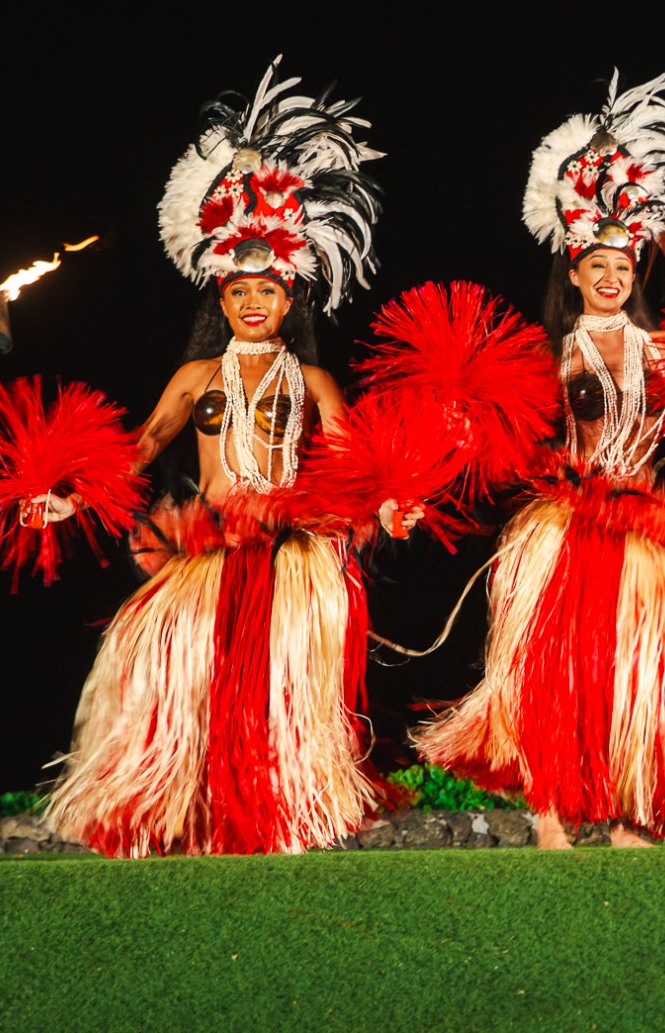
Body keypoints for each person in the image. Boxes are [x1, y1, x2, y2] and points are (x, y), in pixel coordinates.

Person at [40, 60, 412, 856]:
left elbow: (352, 461)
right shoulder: (196, 375)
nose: (252, 302)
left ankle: (278, 813)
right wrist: (73, 493)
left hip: (286, 554)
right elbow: (141, 447)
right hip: (207, 548)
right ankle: (192, 811)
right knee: (182, 681)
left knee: (275, 690)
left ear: (291, 297)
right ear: (220, 296)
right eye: (238, 291)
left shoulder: (312, 380)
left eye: (267, 291)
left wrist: (387, 503)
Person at [413, 72, 665, 847]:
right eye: (595, 267)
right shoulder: (551, 355)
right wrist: (465, 424)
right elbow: (510, 437)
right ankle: (549, 817)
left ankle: (629, 811)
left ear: (636, 274)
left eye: (621, 268)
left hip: (640, 532)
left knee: (641, 675)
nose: (609, 279)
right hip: (566, 527)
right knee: (552, 669)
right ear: (572, 271)